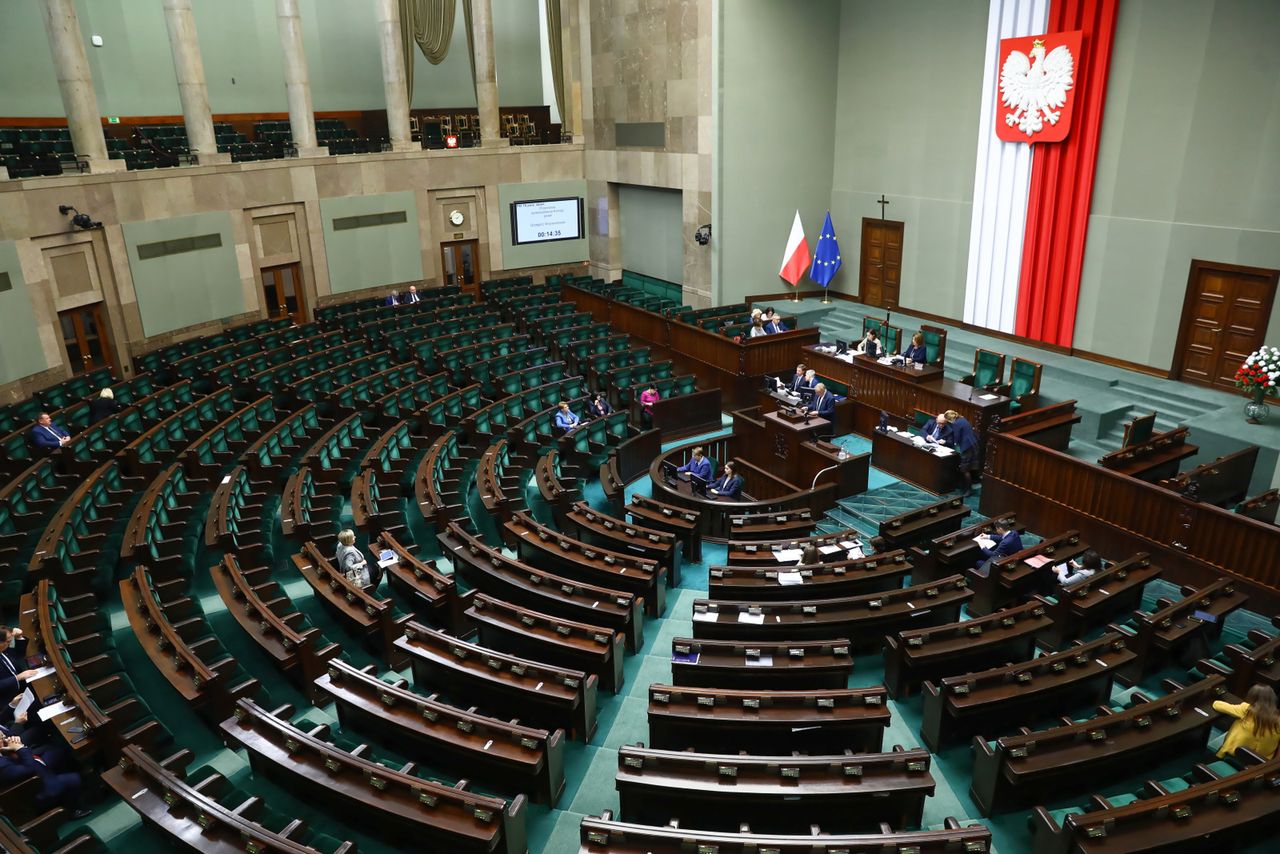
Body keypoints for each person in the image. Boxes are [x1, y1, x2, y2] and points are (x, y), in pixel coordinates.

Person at [0, 733, 87, 816]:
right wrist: (20, 748)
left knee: (58, 751)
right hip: (34, 791)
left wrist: (17, 747)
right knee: (74, 778)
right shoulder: (2, 766)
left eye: (4, 736)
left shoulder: (3, 753)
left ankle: (67, 792)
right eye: (2, 738)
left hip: (37, 774)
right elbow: (30, 769)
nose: (6, 739)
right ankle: (73, 810)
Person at [1213, 684, 1280, 759]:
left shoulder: (1246, 710)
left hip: (1234, 755)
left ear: (1253, 697)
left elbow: (1217, 705)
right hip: (1261, 761)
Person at [1, 628, 41, 708]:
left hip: (24, 684)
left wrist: (18, 637)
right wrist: (18, 677)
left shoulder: (3, 650)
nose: (9, 644)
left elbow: (18, 654)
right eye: (8, 641)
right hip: (12, 699)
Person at [945, 409, 981, 497]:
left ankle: (968, 490)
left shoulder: (956, 424)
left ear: (950, 419)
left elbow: (956, 438)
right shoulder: (962, 419)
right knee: (972, 464)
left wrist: (951, 443)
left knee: (965, 468)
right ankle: (976, 480)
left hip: (967, 447)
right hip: (974, 443)